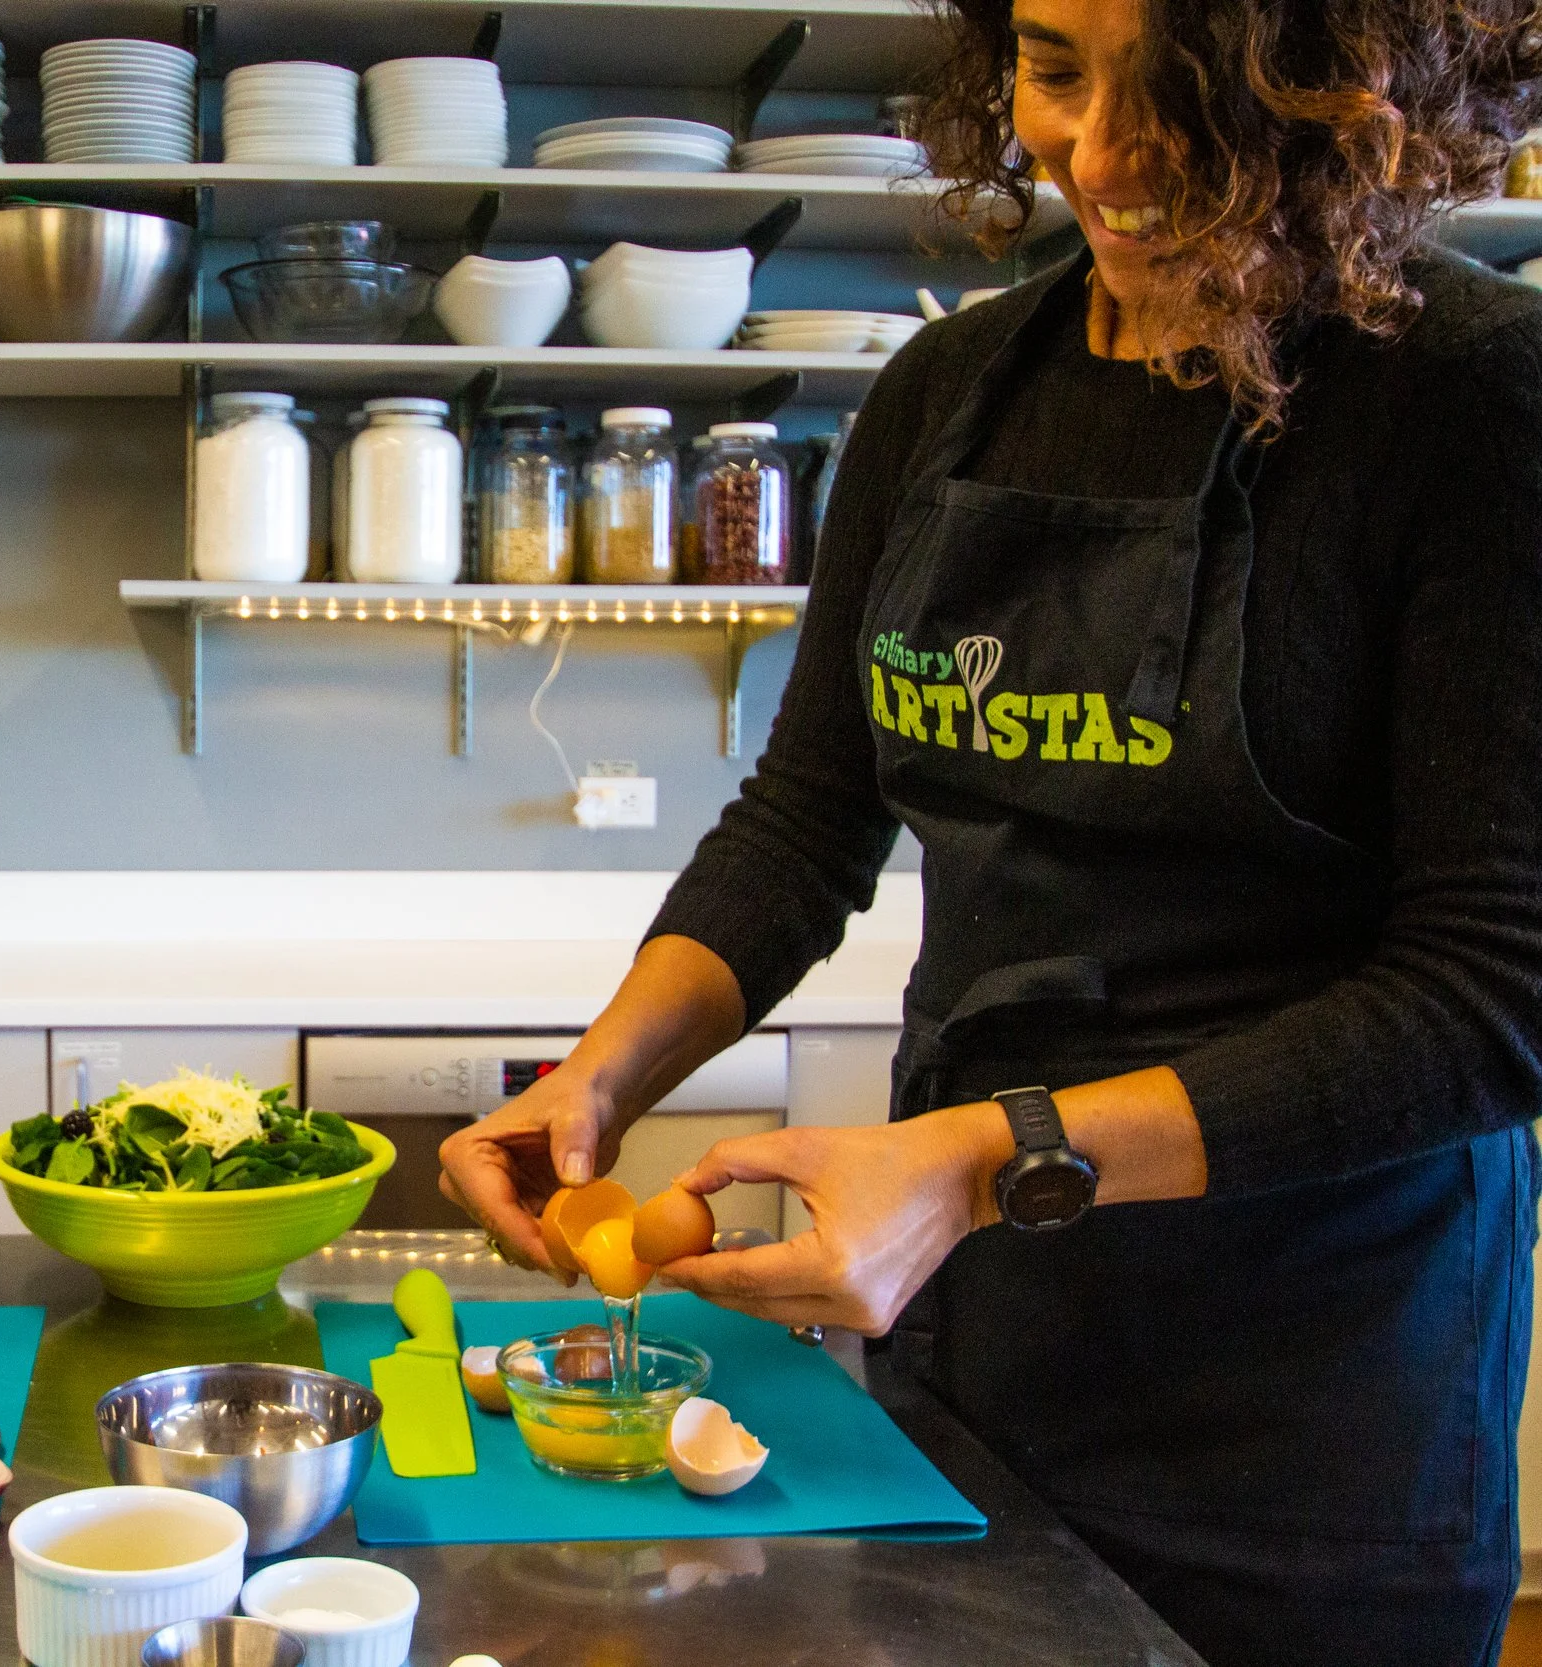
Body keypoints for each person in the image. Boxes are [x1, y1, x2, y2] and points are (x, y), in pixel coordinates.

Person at [440, 3, 1542, 1664]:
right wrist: (601, 1077)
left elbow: (1494, 994)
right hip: (975, 1366)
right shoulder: (950, 394)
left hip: (1305, 1428)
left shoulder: (1476, 399)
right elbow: (810, 818)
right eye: (1053, 68)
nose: (1100, 156)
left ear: (1346, 90)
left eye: (1187, 92)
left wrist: (985, 1157)